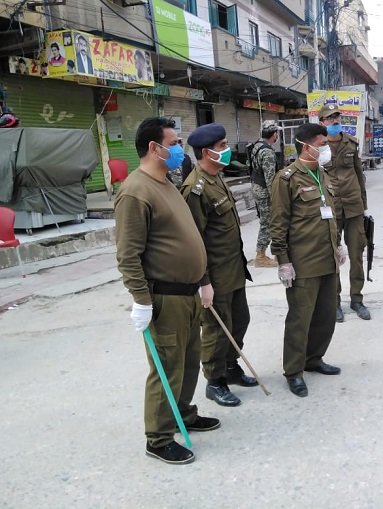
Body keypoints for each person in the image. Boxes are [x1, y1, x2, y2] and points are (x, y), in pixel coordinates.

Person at [114, 117, 220, 465]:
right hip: (165, 298)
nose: (178, 149)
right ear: (153, 148)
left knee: (189, 362)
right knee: (167, 367)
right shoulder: (135, 191)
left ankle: (184, 413)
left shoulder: (168, 183)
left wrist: (202, 279)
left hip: (188, 293)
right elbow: (129, 254)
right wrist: (141, 301)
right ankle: (158, 438)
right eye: (173, 143)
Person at [181, 123, 257, 408]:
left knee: (239, 321)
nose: (226, 151)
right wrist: (203, 281)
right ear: (206, 152)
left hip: (233, 269)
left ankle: (230, 366)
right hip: (215, 276)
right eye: (222, 146)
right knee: (215, 329)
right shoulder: (195, 189)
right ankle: (215, 381)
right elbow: (194, 241)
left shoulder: (216, 177)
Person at [270, 122, 346, 398]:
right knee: (300, 319)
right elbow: (278, 223)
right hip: (302, 263)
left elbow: (331, 215)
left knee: (325, 316)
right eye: (322, 143)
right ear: (306, 146)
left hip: (327, 260)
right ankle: (293, 371)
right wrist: (282, 260)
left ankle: (314, 358)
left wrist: (339, 245)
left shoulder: (323, 174)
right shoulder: (286, 178)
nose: (326, 148)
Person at [318, 103, 370, 322]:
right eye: (329, 118)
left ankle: (357, 299)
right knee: (333, 256)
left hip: (354, 207)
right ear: (322, 122)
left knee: (357, 254)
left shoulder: (352, 143)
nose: (334, 121)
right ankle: (335, 302)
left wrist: (363, 204)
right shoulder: (318, 147)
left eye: (337, 117)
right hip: (330, 209)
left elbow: (359, 175)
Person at [249, 120, 282, 268]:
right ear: (274, 134)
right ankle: (260, 256)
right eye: (277, 133)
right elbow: (270, 179)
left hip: (257, 187)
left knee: (267, 222)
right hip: (264, 191)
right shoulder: (267, 152)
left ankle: (265, 253)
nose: (278, 135)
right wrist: (276, 198)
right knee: (268, 223)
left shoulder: (257, 145)